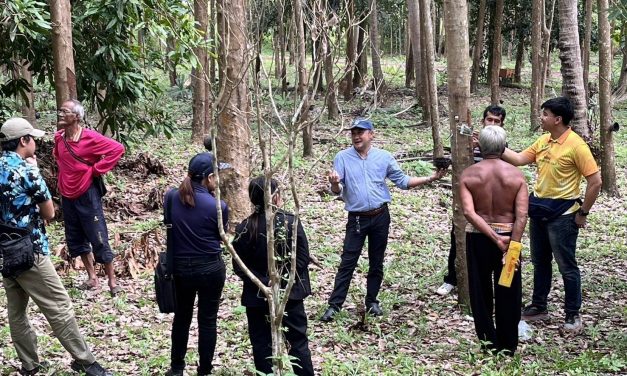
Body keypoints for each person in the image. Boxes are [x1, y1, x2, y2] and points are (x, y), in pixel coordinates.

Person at [0, 118, 112, 376]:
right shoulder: (27, 171)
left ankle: (29, 364)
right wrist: (35, 172)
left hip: (5, 250)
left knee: (16, 310)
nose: (36, 143)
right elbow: (49, 212)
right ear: (23, 141)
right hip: (31, 249)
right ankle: (86, 361)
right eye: (32, 138)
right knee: (59, 305)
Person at [320, 118, 446, 322]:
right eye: (353, 133)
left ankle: (372, 301)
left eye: (361, 132)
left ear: (371, 134)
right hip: (357, 219)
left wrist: (431, 178)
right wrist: (334, 184)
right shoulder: (342, 157)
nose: (356, 136)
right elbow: (337, 190)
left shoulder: (384, 157)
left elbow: (403, 182)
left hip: (380, 216)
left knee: (376, 262)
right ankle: (335, 306)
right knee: (347, 262)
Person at [501, 97, 601, 332]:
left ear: (558, 119)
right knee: (540, 262)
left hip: (564, 215)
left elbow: (595, 182)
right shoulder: (544, 140)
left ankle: (572, 314)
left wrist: (583, 213)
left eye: (545, 114)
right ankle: (539, 306)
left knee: (567, 266)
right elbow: (519, 159)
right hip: (539, 211)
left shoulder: (577, 146)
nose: (541, 118)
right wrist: (493, 145)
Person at [232, 177, 314, 376]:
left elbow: (239, 266)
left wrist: (263, 281)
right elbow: (302, 258)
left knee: (262, 345)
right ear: (275, 196)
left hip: (258, 295)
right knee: (297, 343)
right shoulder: (289, 222)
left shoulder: (245, 226)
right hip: (289, 294)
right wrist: (280, 280)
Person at [460, 126, 528, 354]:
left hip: (478, 239)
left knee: (480, 292)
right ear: (503, 147)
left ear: (480, 145)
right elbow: (522, 215)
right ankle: (508, 345)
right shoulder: (517, 176)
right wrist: (511, 248)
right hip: (510, 240)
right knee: (508, 289)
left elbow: (469, 213)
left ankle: (489, 344)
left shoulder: (469, 175)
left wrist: (493, 237)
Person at [165, 152, 229, 376]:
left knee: (182, 318)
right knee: (208, 321)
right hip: (210, 268)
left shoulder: (171, 197)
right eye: (218, 174)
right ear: (209, 178)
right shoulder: (218, 206)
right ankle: (205, 370)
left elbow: (169, 229)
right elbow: (220, 236)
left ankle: (176, 368)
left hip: (180, 269)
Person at [53, 99, 124, 296]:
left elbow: (117, 149)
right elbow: (59, 158)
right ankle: (92, 278)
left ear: (76, 116)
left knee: (98, 235)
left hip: (87, 194)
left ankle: (112, 281)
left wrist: (96, 170)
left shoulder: (91, 138)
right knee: (76, 237)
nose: (60, 114)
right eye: (60, 110)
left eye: (65, 111)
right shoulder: (59, 138)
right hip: (67, 196)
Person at [437, 105, 507, 296]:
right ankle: (452, 279)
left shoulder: (501, 145)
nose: (492, 123)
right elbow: (457, 161)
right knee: (457, 238)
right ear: (482, 120)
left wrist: (484, 147)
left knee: (492, 244)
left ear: (502, 124)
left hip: (493, 205)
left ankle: (496, 286)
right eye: (489, 119)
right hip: (468, 202)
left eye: (496, 121)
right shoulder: (469, 142)